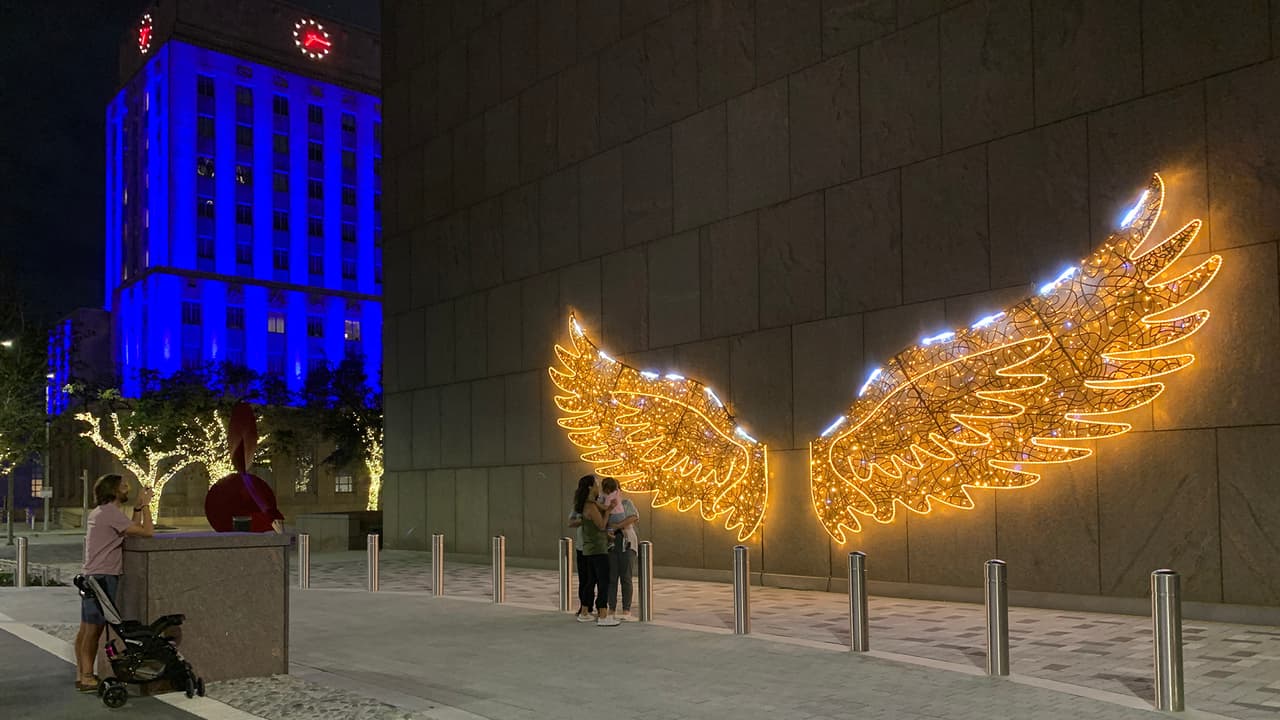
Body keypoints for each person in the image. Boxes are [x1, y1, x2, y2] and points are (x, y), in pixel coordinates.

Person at [74, 474, 155, 692]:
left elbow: (130, 529)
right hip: (102, 577)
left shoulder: (104, 512)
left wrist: (137, 508)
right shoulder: (109, 513)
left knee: (85, 628)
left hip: (93, 576)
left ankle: (82, 674)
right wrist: (147, 506)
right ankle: (88, 677)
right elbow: (147, 532)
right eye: (124, 486)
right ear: (114, 490)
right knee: (94, 629)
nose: (127, 488)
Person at [574, 474, 618, 627]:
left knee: (590, 581)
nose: (598, 486)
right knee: (603, 581)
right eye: (596, 484)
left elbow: (604, 508)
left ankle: (585, 612)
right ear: (590, 487)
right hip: (598, 549)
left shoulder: (588, 503)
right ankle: (603, 614)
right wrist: (607, 513)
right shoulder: (591, 506)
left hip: (588, 549)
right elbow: (601, 525)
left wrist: (608, 507)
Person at [603, 478, 640, 620]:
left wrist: (618, 526)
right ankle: (611, 608)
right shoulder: (605, 505)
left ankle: (626, 609)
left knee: (626, 577)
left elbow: (634, 517)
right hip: (611, 544)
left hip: (627, 542)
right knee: (612, 578)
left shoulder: (626, 503)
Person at [567, 475, 597, 621]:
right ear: (590, 486)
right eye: (596, 482)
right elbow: (571, 522)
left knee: (595, 578)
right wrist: (584, 519)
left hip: (596, 545)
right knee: (585, 578)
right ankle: (585, 606)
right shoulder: (579, 504)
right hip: (582, 545)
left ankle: (592, 606)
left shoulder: (598, 501)